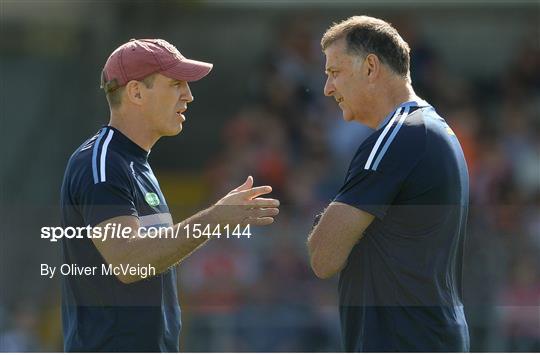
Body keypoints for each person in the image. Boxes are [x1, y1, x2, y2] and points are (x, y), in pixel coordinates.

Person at [60, 38, 279, 352]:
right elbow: (128, 261)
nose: (188, 96)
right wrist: (215, 218)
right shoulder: (102, 162)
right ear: (135, 92)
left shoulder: (133, 163)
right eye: (176, 84)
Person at [307, 16, 470, 352]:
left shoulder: (400, 135)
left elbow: (323, 256)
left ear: (370, 67)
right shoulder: (428, 128)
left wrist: (327, 225)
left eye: (334, 73)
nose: (327, 88)